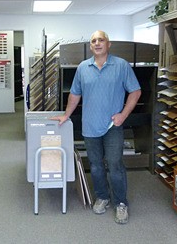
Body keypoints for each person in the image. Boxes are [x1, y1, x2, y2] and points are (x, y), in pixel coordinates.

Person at [52, 30, 141, 224]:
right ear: (90, 46)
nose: (97, 43)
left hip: (112, 126)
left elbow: (135, 91)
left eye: (101, 40)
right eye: (94, 41)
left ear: (108, 44)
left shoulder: (121, 66)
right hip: (90, 125)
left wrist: (123, 115)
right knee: (96, 166)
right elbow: (75, 95)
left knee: (115, 165)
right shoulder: (83, 68)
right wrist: (66, 115)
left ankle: (120, 203)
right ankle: (102, 197)